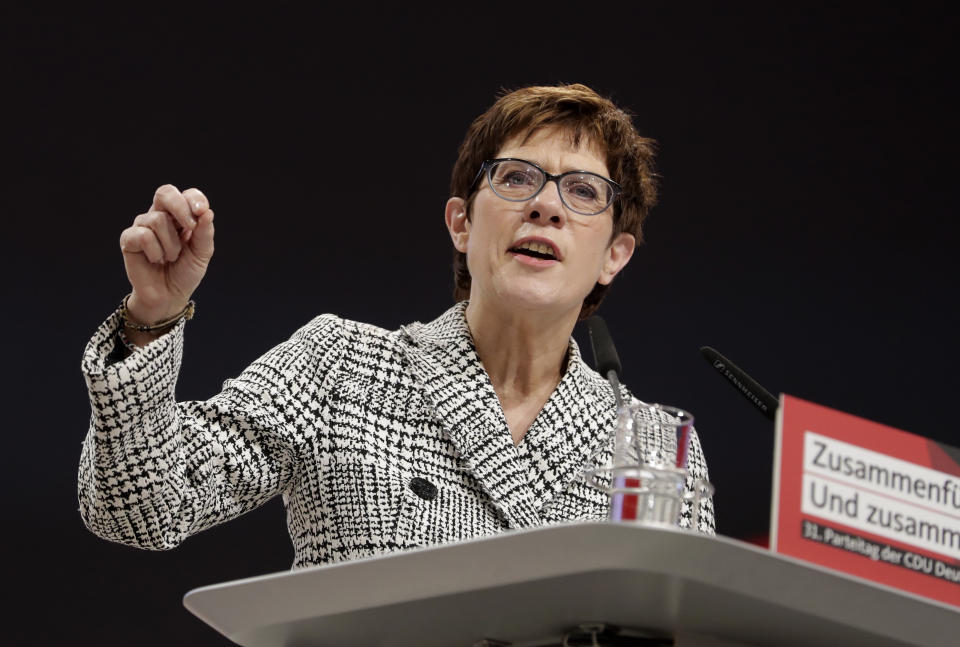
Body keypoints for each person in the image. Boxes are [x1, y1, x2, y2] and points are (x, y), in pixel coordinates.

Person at [78, 83, 715, 569]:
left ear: (615, 254)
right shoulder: (339, 367)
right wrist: (152, 321)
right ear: (461, 224)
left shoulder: (660, 449)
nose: (545, 205)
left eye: (582, 192)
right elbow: (139, 507)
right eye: (517, 178)